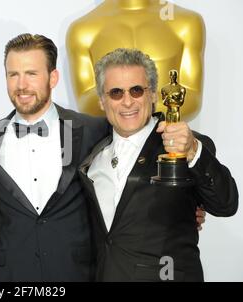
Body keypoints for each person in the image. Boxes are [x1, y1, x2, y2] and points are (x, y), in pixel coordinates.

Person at [78, 48, 238, 281]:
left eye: (136, 90)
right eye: (115, 92)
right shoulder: (92, 159)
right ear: (102, 101)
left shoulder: (185, 147)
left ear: (152, 95)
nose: (127, 101)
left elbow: (226, 204)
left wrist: (193, 150)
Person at [0, 33, 109, 281]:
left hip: (76, 272)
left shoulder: (92, 130)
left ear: (53, 77)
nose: (21, 85)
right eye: (13, 74)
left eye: (31, 74)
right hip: (10, 275)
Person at [66, 0, 205, 120]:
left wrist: (133, 109)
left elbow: (192, 97)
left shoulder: (187, 23)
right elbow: (85, 101)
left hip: (170, 143)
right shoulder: (82, 30)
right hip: (111, 143)